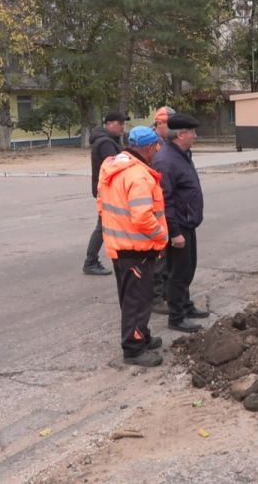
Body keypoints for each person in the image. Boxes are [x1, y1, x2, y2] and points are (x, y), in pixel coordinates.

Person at [97, 126, 168, 367]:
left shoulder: (113, 167)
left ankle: (142, 335)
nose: (158, 151)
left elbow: (101, 204)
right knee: (137, 301)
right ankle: (134, 349)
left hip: (121, 246)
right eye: (156, 147)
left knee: (132, 297)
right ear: (148, 148)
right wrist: (161, 237)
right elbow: (143, 217)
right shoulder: (138, 176)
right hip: (136, 249)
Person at [152, 113, 210, 333]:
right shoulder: (166, 161)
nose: (195, 135)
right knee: (178, 273)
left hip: (188, 223)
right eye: (192, 132)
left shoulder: (182, 154)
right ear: (181, 135)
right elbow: (164, 201)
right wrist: (174, 232)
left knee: (187, 268)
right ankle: (176, 317)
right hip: (177, 227)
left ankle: (185, 305)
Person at [83, 111, 128, 275]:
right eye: (120, 124)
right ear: (109, 124)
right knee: (102, 226)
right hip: (108, 191)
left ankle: (93, 261)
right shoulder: (105, 143)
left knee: (105, 225)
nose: (123, 127)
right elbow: (116, 166)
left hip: (107, 190)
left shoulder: (109, 141)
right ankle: (90, 262)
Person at [150, 106, 176, 306]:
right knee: (159, 254)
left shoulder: (166, 143)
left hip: (162, 204)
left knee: (166, 255)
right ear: (160, 123)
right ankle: (156, 296)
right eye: (170, 123)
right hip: (156, 206)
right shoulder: (153, 144)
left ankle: (166, 291)